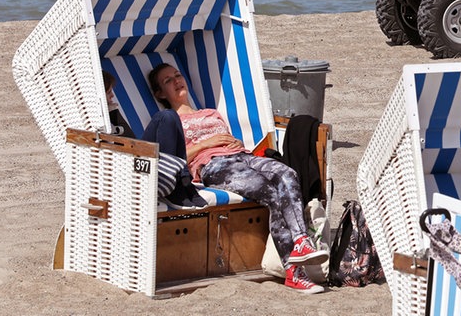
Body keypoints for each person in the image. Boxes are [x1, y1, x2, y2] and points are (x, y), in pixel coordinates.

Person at [147, 63, 328, 293]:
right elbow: (173, 157)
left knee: (287, 173)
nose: (176, 81)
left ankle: (301, 242)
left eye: (177, 75)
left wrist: (235, 144)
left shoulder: (211, 113)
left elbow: (229, 140)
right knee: (269, 190)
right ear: (161, 93)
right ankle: (293, 272)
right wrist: (207, 144)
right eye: (167, 81)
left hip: (242, 156)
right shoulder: (169, 121)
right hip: (213, 165)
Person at [102, 70, 206, 210]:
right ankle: (175, 186)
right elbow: (128, 148)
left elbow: (132, 143)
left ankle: (182, 182)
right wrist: (111, 113)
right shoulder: (94, 122)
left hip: (140, 161)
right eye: (108, 93)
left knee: (170, 115)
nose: (113, 96)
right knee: (166, 116)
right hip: (134, 172)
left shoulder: (110, 113)